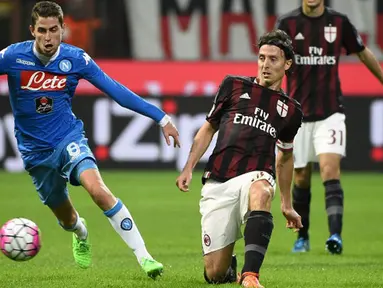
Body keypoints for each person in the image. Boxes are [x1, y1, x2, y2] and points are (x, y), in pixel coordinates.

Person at [0, 1, 180, 278]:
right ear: (32, 31)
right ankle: (80, 231)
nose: (48, 38)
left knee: (97, 190)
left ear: (63, 28)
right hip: (34, 153)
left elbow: (117, 91)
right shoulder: (12, 57)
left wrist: (161, 117)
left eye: (54, 30)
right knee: (67, 218)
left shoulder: (76, 59)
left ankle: (145, 258)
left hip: (67, 138)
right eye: (42, 31)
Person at [176, 29, 303, 288]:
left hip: (256, 174)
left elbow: (285, 156)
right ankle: (230, 269)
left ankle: (250, 276)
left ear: (287, 63)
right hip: (218, 181)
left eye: (273, 59)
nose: (265, 65)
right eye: (261, 58)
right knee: (214, 274)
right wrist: (188, 166)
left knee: (262, 191)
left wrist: (287, 204)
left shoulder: (291, 110)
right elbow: (208, 128)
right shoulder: (233, 85)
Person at [275, 0, 383, 254]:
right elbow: (273, 60)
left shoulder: (339, 22)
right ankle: (303, 237)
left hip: (330, 112)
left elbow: (362, 51)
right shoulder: (287, 24)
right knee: (300, 177)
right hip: (297, 115)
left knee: (329, 168)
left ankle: (335, 235)